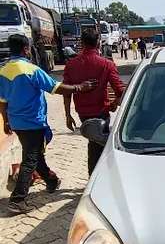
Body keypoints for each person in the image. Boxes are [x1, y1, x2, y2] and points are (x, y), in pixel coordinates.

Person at [0, 33, 96, 214]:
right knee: (30, 158)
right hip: (33, 121)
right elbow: (55, 87)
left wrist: (6, 121)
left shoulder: (2, 71)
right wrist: (80, 88)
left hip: (17, 122)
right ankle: (18, 199)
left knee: (35, 153)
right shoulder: (31, 70)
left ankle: (51, 181)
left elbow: (2, 101)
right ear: (26, 49)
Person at [63, 29, 125, 175]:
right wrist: (114, 104)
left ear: (81, 43)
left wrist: (67, 115)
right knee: (99, 144)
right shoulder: (106, 64)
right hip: (102, 112)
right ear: (98, 43)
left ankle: (95, 176)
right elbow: (120, 91)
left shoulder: (71, 65)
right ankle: (99, 177)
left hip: (83, 113)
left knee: (94, 143)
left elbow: (66, 93)